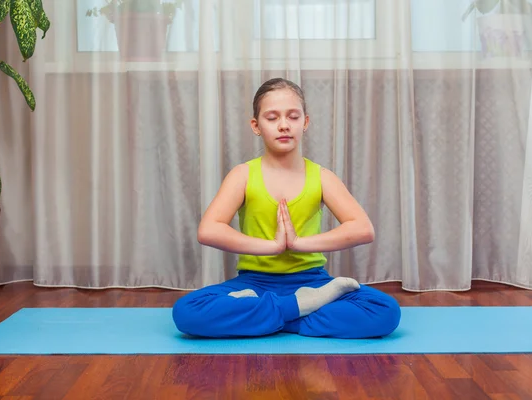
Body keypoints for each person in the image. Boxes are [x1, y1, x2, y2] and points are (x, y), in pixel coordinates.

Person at [172, 78, 401, 339]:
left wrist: (297, 243)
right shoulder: (243, 175)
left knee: (385, 310)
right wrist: (273, 246)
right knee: (187, 311)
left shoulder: (322, 176)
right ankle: (300, 308)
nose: (284, 125)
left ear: (305, 122)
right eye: (272, 118)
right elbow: (209, 230)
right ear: (256, 126)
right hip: (254, 283)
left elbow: (363, 229)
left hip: (313, 281)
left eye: (293, 116)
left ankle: (274, 313)